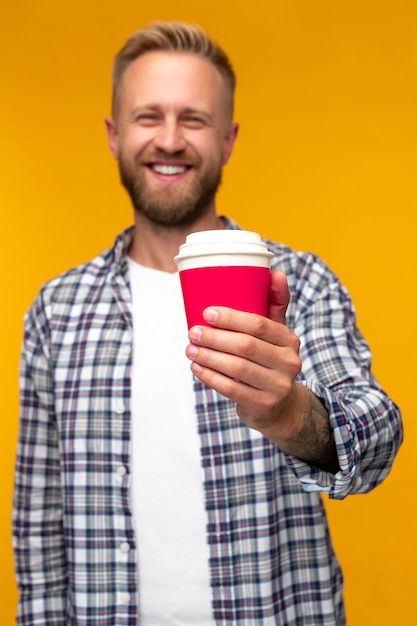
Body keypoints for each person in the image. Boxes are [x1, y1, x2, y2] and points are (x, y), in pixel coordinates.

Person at [13, 21, 403, 626]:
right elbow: (38, 526)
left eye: (194, 119)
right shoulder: (57, 311)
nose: (170, 140)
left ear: (229, 139)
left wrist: (289, 412)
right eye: (149, 116)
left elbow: (378, 442)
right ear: (114, 136)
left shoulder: (299, 280)